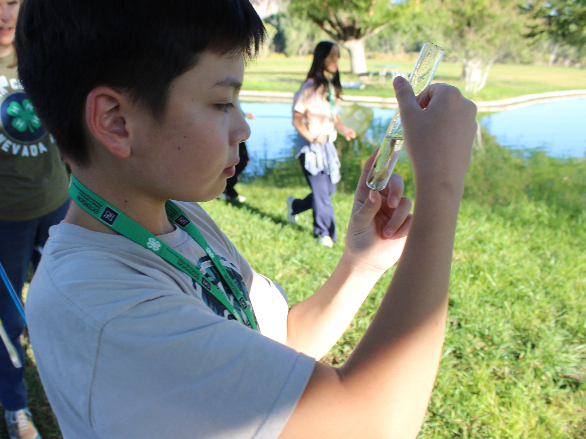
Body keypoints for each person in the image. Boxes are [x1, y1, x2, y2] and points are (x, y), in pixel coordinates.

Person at [16, 0, 477, 438]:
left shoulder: (180, 219)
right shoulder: (102, 308)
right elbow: (370, 425)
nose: (243, 128)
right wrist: (440, 187)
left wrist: (362, 263)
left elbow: (285, 340)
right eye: (221, 104)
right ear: (116, 122)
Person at [0, 0, 69, 437]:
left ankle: (76, 392)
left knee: (69, 306)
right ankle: (15, 407)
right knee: (9, 320)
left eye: (11, 3)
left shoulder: (42, 51)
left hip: (58, 205)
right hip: (5, 220)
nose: (4, 15)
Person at [287, 41, 356, 247]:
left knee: (330, 189)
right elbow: (296, 119)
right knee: (322, 193)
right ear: (321, 57)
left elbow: (333, 114)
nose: (336, 60)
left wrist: (344, 129)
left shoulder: (331, 86)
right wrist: (312, 137)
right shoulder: (310, 87)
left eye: (337, 56)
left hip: (327, 147)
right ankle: (323, 233)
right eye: (332, 56)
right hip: (310, 148)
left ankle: (295, 206)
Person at [220, 107, 255, 202]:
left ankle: (227, 189)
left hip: (234, 131)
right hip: (228, 131)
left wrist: (245, 115)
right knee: (239, 160)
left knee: (242, 160)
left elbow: (235, 109)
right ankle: (223, 190)